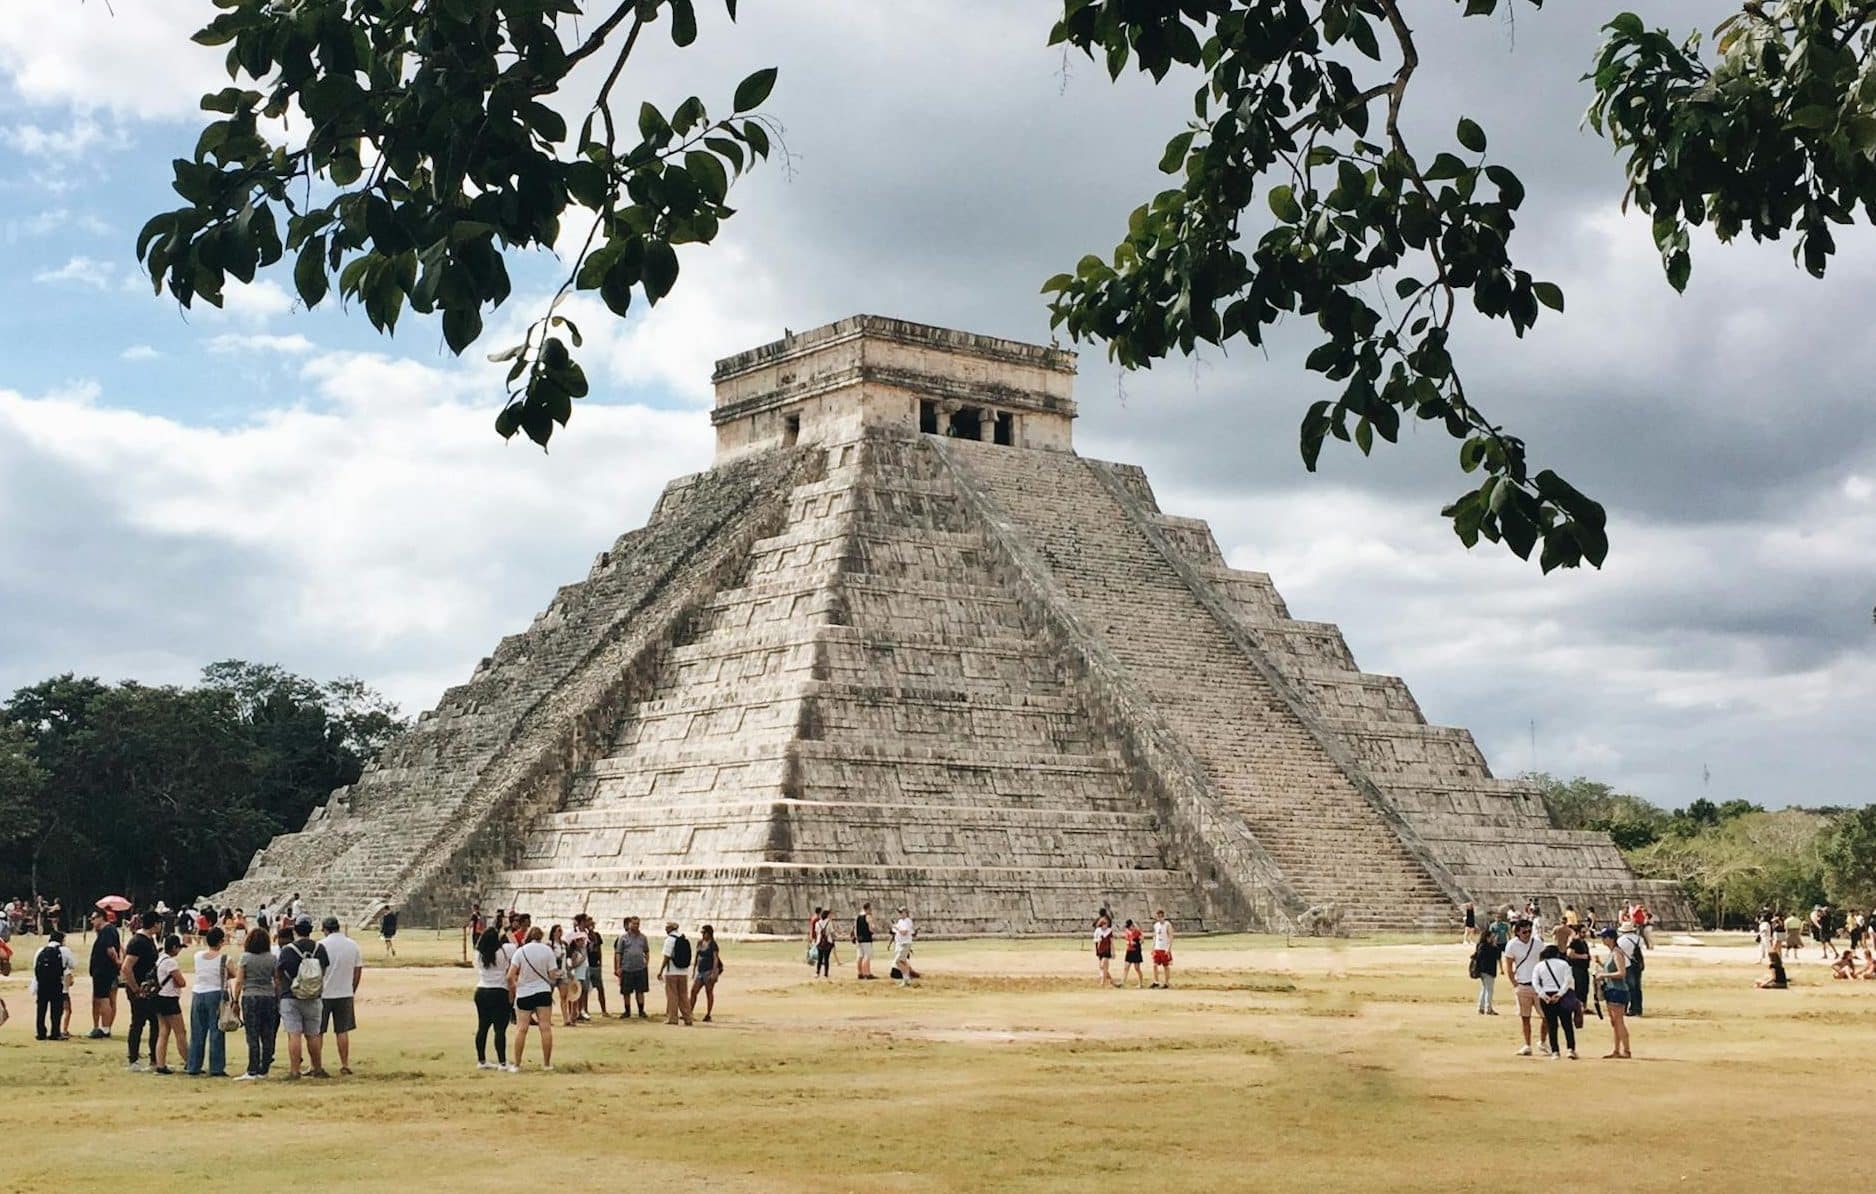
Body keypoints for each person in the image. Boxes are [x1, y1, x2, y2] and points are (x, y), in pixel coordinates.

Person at [277, 917, 331, 1080]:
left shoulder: (288, 950)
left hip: (290, 995)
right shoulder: (319, 948)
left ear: (295, 930)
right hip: (313, 996)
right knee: (313, 1034)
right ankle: (317, 1067)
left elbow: (279, 972)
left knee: (294, 1034)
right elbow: (323, 971)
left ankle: (295, 1070)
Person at [507, 925, 559, 1070]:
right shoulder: (547, 951)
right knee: (545, 1028)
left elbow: (510, 975)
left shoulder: (521, 951)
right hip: (542, 991)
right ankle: (547, 1064)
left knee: (521, 1029)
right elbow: (553, 974)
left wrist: (515, 987)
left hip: (524, 992)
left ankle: (517, 1064)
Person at [319, 916, 364, 1075]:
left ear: (325, 929)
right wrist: (352, 989)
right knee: (342, 1031)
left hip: (324, 993)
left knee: (318, 1031)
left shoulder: (321, 945)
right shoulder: (352, 945)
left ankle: (316, 1065)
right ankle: (344, 1064)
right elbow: (357, 970)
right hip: (345, 993)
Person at [185, 926, 234, 1077]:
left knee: (197, 1032)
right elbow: (233, 973)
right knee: (216, 1031)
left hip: (198, 993)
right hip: (216, 993)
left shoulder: (198, 956)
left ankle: (194, 1065)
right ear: (221, 942)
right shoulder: (225, 958)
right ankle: (216, 1067)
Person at [232, 927, 278, 1080]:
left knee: (252, 1034)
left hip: (250, 996)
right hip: (269, 996)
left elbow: (239, 981)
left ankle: (252, 1069)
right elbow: (277, 980)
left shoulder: (246, 958)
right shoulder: (272, 958)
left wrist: (235, 1000)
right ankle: (264, 1069)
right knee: (267, 1034)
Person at [120, 913, 161, 1071]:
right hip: (139, 989)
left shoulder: (149, 940)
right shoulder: (138, 942)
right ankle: (134, 1060)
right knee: (138, 1023)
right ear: (155, 924)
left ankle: (155, 1059)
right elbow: (126, 967)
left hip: (149, 989)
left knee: (155, 1023)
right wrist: (136, 989)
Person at [472, 926, 514, 1071]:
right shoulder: (504, 951)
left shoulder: (478, 954)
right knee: (500, 1029)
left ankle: (481, 1060)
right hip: (499, 991)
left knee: (482, 1027)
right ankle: (502, 1062)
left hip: (482, 990)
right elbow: (516, 945)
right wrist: (507, 931)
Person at [1502, 919, 1543, 1056]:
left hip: (1538, 985)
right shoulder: (1512, 945)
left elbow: (1544, 962)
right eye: (1524, 932)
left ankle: (1543, 1041)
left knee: (1546, 1016)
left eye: (1529, 931)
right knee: (1525, 1017)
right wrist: (1514, 983)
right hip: (1523, 984)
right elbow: (1509, 965)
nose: (1527, 934)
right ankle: (1527, 1044)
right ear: (1518, 932)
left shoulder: (1537, 943)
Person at [1531, 944, 1578, 1059]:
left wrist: (1543, 995)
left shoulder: (1539, 966)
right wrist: (1560, 994)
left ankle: (1555, 1051)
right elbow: (1567, 981)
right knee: (1567, 1024)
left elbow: (1535, 983)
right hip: (1562, 995)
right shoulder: (1564, 964)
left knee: (1552, 1025)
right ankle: (1570, 1049)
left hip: (1546, 995)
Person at [152, 934, 188, 1075]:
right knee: (180, 1032)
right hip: (170, 999)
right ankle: (189, 1061)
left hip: (159, 997)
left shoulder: (160, 959)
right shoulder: (171, 963)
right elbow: (181, 982)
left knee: (163, 1031)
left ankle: (160, 1064)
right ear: (174, 947)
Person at [1596, 927, 1633, 1056]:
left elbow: (1621, 973)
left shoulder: (1616, 952)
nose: (1602, 940)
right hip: (1612, 989)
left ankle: (1626, 1050)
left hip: (1618, 990)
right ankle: (1617, 1050)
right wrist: (1601, 965)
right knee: (1614, 1022)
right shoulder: (1613, 952)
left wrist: (1603, 975)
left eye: (1604, 937)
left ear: (1611, 938)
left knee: (1618, 1021)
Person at [87, 909, 123, 1039]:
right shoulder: (108, 931)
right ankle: (102, 1027)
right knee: (107, 999)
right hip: (107, 970)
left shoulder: (107, 931)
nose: (92, 922)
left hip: (103, 971)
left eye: (93, 919)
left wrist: (117, 961)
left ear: (101, 917)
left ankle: (105, 1028)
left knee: (103, 999)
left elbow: (110, 949)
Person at [31, 929, 72, 1041]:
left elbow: (35, 966)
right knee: (56, 1009)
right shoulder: (64, 950)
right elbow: (72, 964)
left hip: (42, 984)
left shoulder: (40, 950)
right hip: (56, 983)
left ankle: (41, 1033)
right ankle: (55, 1032)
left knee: (41, 1009)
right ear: (62, 940)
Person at [658, 920, 694, 1025]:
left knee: (672, 995)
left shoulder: (669, 940)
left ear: (670, 929)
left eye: (667, 927)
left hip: (672, 972)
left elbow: (667, 956)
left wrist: (661, 971)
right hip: (683, 972)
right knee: (683, 996)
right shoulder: (683, 938)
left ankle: (673, 1018)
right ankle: (688, 1018)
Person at [615, 916, 650, 1019]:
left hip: (640, 968)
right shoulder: (623, 938)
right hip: (627, 968)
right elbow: (618, 953)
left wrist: (646, 963)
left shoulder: (643, 937)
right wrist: (618, 967)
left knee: (640, 991)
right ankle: (627, 1011)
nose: (636, 925)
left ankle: (641, 1011)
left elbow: (646, 951)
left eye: (637, 924)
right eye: (634, 923)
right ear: (629, 924)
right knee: (626, 991)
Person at [690, 924, 723, 1022]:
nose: (703, 935)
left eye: (704, 933)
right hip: (700, 971)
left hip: (709, 971)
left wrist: (713, 972)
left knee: (708, 992)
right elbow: (697, 956)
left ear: (709, 933)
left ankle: (708, 1014)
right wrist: (694, 969)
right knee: (693, 991)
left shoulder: (713, 945)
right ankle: (689, 1012)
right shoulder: (700, 943)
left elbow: (715, 959)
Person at [1470, 920, 1503, 1015]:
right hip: (1488, 970)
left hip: (1482, 971)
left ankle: (1481, 1008)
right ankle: (1488, 1008)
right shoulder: (1489, 947)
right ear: (1488, 938)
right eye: (1492, 937)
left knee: (1484, 989)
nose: (1493, 938)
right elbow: (1497, 955)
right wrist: (1495, 945)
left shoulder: (1480, 945)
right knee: (1489, 990)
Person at [1565, 925, 1593, 1030]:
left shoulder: (1583, 942)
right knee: (1579, 987)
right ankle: (1577, 1007)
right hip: (1577, 968)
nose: (1584, 934)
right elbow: (1570, 954)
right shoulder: (1574, 942)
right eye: (1582, 932)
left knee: (1585, 988)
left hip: (1584, 968)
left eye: (1585, 932)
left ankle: (1583, 1007)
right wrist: (1582, 956)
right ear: (1578, 932)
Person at [1615, 921, 1646, 1017]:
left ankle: (1628, 1008)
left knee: (1628, 987)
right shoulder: (1639, 939)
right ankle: (1638, 1008)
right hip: (1637, 964)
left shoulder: (1621, 940)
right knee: (1637, 987)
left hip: (1627, 964)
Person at [583, 915, 608, 1018]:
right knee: (585, 989)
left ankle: (604, 1010)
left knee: (600, 988)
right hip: (587, 965)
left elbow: (599, 950)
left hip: (595, 965)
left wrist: (600, 963)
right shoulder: (583, 936)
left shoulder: (596, 936)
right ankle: (585, 1010)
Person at [891, 906, 920, 986]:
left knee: (898, 961)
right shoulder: (900, 921)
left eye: (901, 912)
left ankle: (906, 978)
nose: (900, 914)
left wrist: (896, 927)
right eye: (899, 912)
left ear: (906, 913)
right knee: (903, 961)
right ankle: (907, 979)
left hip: (905, 943)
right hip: (901, 943)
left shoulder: (907, 921)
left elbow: (904, 932)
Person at [1151, 910, 1174, 989]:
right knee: (1154, 965)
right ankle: (1156, 981)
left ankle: (1167, 982)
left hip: (1164, 948)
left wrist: (1169, 948)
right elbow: (1155, 936)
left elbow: (1171, 936)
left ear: (1163, 917)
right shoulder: (1156, 925)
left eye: (1161, 917)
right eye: (1158, 917)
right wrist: (1153, 947)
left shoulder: (1167, 924)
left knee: (1166, 966)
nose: (1160, 918)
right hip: (1157, 948)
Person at [853, 903, 876, 980]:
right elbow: (871, 929)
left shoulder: (857, 917)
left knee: (860, 956)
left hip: (859, 939)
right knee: (867, 956)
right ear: (868, 909)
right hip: (866, 938)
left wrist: (856, 938)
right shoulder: (868, 916)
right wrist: (873, 929)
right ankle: (866, 973)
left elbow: (855, 929)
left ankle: (860, 973)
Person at [1093, 913, 1116, 986]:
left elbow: (1112, 942)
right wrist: (1098, 940)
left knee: (1103, 964)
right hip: (1100, 950)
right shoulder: (1098, 930)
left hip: (1107, 950)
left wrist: (1113, 951)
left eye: (1106, 924)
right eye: (1104, 924)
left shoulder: (1109, 931)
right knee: (1102, 966)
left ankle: (1103, 982)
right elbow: (1094, 940)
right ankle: (1111, 980)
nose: (1105, 926)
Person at [1121, 919, 1146, 988]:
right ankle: (1123, 983)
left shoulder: (1137, 932)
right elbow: (1127, 940)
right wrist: (1129, 942)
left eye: (1131, 926)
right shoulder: (1127, 932)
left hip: (1136, 951)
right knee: (1126, 967)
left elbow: (1142, 940)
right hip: (1129, 950)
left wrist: (1137, 942)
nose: (1130, 928)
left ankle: (1140, 983)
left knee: (1137, 968)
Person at [813, 907, 837, 979]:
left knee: (819, 959)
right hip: (828, 942)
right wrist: (834, 939)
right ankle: (826, 974)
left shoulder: (817, 923)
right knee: (826, 959)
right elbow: (832, 932)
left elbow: (817, 933)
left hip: (819, 942)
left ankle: (817, 972)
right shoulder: (829, 922)